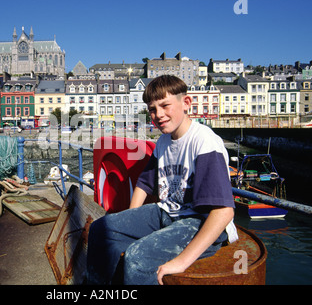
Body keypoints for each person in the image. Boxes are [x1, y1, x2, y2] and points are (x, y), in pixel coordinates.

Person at [86, 75, 238, 285]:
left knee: (138, 258)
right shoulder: (163, 141)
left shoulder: (204, 142)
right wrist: (131, 219)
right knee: (101, 230)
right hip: (168, 211)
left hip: (200, 221)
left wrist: (182, 262)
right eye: (152, 109)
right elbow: (145, 183)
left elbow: (223, 211)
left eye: (165, 105)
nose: (158, 115)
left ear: (186, 103)